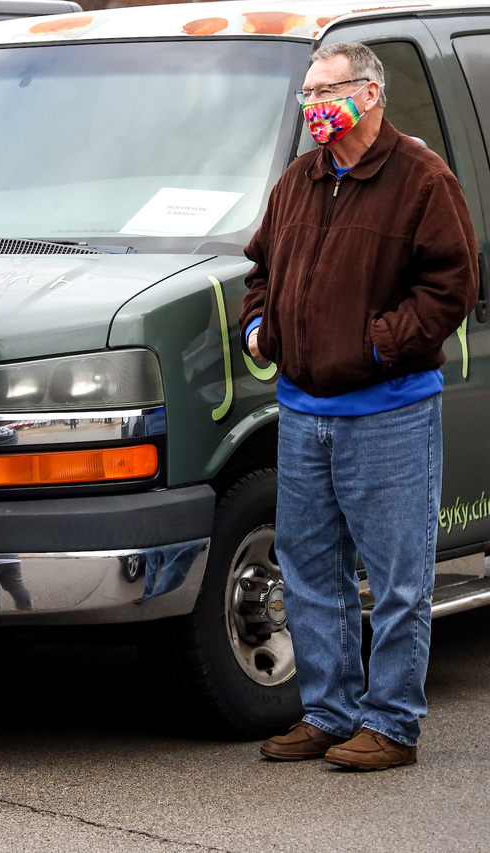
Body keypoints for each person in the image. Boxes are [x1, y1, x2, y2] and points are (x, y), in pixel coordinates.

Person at [244, 42, 478, 770]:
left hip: (389, 410)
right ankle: (328, 711)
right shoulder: (299, 179)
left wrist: (378, 346)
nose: (314, 106)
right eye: (308, 95)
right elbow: (261, 266)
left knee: (399, 575)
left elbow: (453, 286)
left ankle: (392, 723)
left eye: (326, 91)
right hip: (303, 410)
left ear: (370, 94)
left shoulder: (421, 178)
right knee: (311, 570)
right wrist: (261, 327)